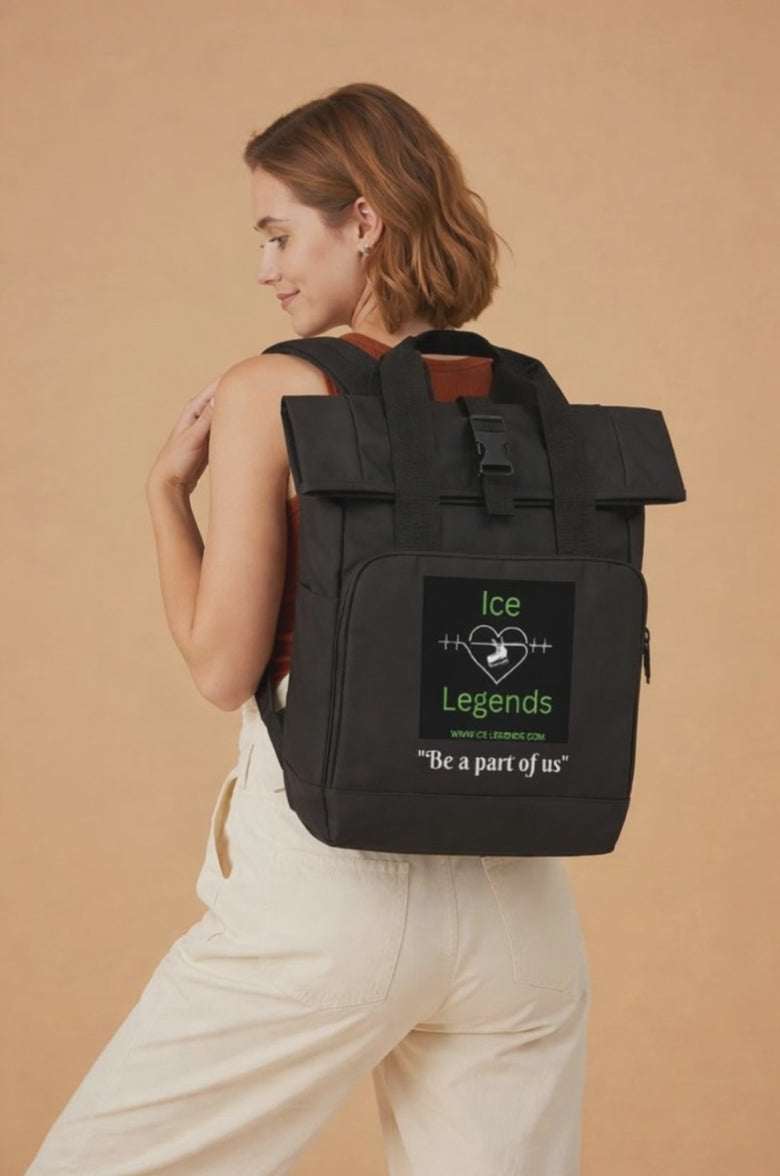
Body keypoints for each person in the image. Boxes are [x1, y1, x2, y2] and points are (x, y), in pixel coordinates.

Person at [25, 82, 590, 1176]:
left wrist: (164, 497)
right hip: (522, 906)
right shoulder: (523, 402)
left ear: (363, 220)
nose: (266, 268)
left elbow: (222, 666)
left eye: (280, 233)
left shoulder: (275, 389)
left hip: (334, 893)